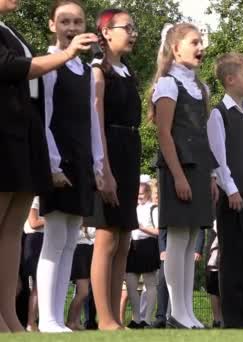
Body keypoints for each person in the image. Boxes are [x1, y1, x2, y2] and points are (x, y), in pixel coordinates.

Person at [0, 0, 96, 333]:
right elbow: (13, 69)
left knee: (10, 231)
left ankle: (9, 317)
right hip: (4, 137)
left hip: (22, 139)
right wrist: (67, 55)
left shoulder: (10, 30)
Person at [37, 0, 104, 333]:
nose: (72, 27)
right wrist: (51, 163)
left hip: (80, 163)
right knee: (54, 237)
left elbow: (92, 120)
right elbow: (44, 118)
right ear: (52, 25)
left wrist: (98, 163)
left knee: (69, 240)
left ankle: (57, 317)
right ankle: (46, 318)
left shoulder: (85, 71)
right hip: (58, 161)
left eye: (77, 21)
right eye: (64, 21)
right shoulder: (49, 66)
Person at [150, 23, 218, 329]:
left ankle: (187, 311)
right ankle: (177, 312)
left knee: (192, 242)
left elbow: (205, 136)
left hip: (200, 168)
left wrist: (212, 175)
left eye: (201, 42)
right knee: (177, 240)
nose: (200, 47)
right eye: (194, 42)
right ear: (175, 48)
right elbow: (164, 134)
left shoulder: (200, 87)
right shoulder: (167, 85)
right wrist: (177, 175)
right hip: (179, 168)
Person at [87, 8, 142, 331]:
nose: (133, 33)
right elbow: (97, 121)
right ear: (106, 32)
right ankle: (104, 317)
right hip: (109, 152)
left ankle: (115, 319)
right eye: (127, 27)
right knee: (106, 237)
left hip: (130, 152)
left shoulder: (127, 72)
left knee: (123, 239)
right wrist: (103, 168)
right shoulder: (98, 71)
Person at [207, 52, 243, 328]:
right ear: (230, 79)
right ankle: (232, 317)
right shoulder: (219, 114)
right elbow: (218, 158)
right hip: (231, 196)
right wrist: (230, 190)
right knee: (230, 257)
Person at [125, 182, 160, 328]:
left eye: (141, 193)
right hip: (133, 246)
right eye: (137, 193)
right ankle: (136, 319)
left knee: (150, 284)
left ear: (148, 193)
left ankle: (147, 319)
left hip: (148, 246)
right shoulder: (133, 208)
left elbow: (158, 232)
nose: (139, 196)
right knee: (131, 285)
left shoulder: (154, 208)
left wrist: (141, 227)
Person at [21, 197, 45, 331]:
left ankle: (35, 322)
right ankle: (31, 323)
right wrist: (54, 220)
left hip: (40, 240)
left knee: (40, 286)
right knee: (37, 286)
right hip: (35, 241)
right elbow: (33, 222)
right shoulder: (36, 198)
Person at [66, 227, 95, 330]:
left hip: (88, 249)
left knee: (84, 291)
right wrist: (86, 232)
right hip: (79, 250)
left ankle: (76, 321)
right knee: (83, 292)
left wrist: (87, 231)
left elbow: (92, 234)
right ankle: (70, 321)